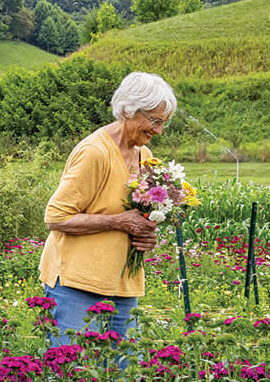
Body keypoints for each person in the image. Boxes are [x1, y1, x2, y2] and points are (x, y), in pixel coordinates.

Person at [37, 71, 176, 347]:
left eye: (164, 124)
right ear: (129, 110)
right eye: (155, 121)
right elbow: (55, 217)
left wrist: (147, 235)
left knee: (125, 378)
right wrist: (118, 222)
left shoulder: (145, 156)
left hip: (123, 285)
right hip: (77, 285)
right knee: (70, 375)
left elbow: (138, 218)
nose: (158, 131)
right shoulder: (94, 152)